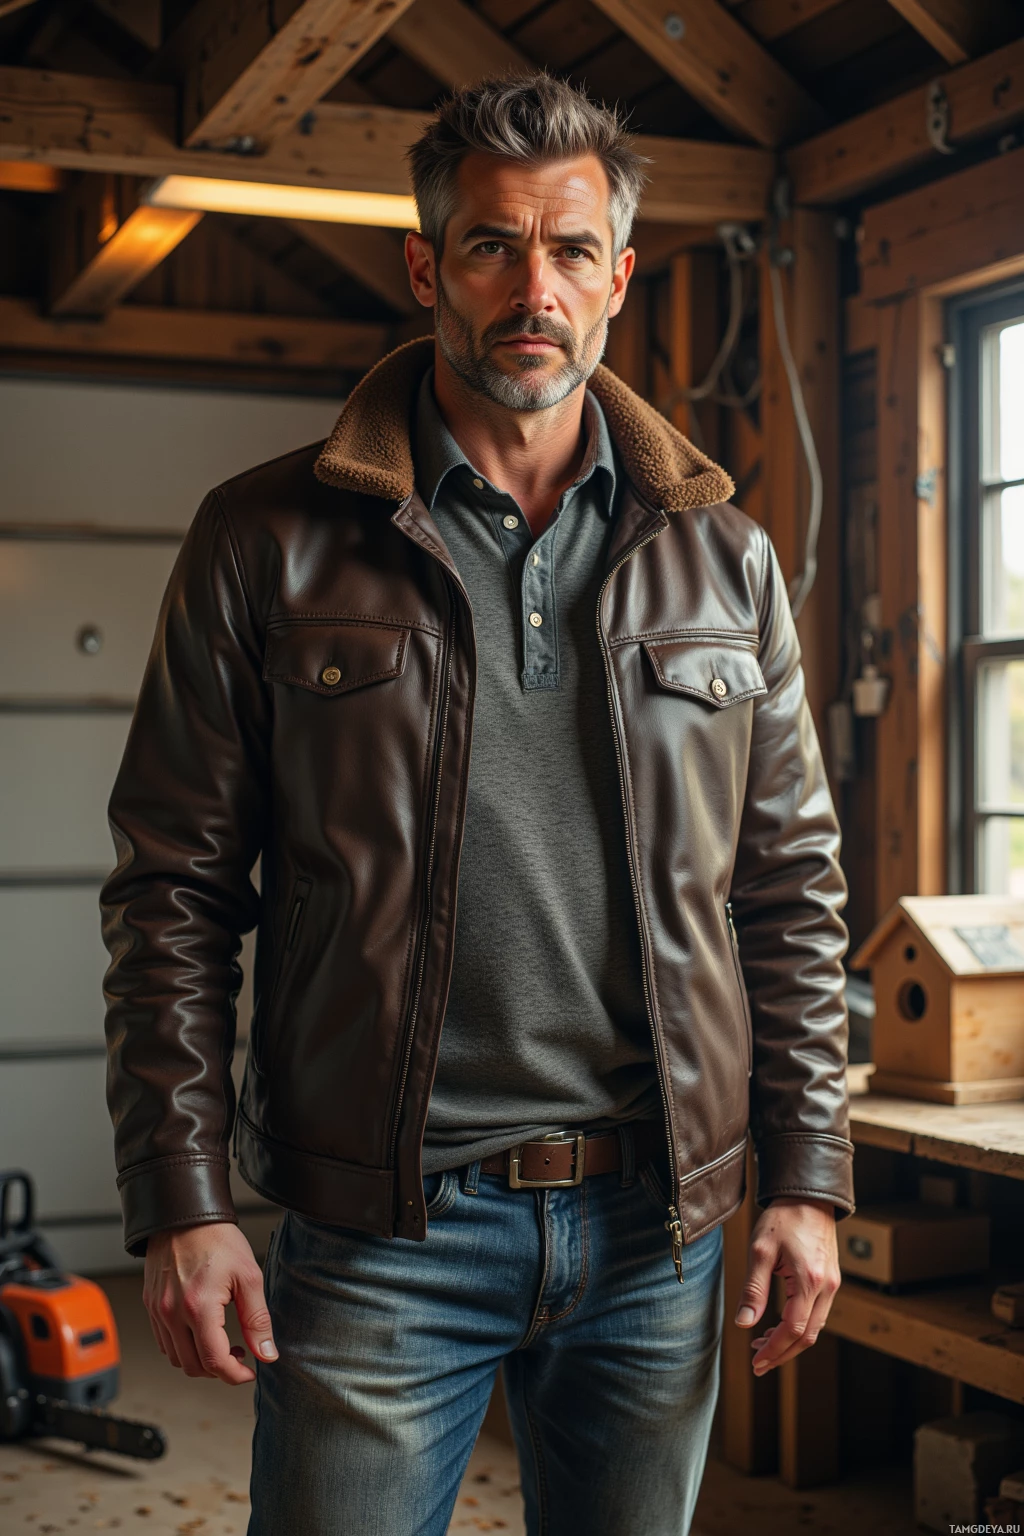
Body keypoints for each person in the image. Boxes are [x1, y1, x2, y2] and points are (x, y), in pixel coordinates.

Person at [100, 72, 855, 1536]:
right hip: (385, 1232)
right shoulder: (266, 538)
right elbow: (173, 889)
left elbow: (790, 892)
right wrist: (183, 1199)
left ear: (620, 277)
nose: (535, 285)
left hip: (656, 1229)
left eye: (572, 250)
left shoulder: (727, 561)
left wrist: (808, 1175)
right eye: (495, 244)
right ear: (427, 264)